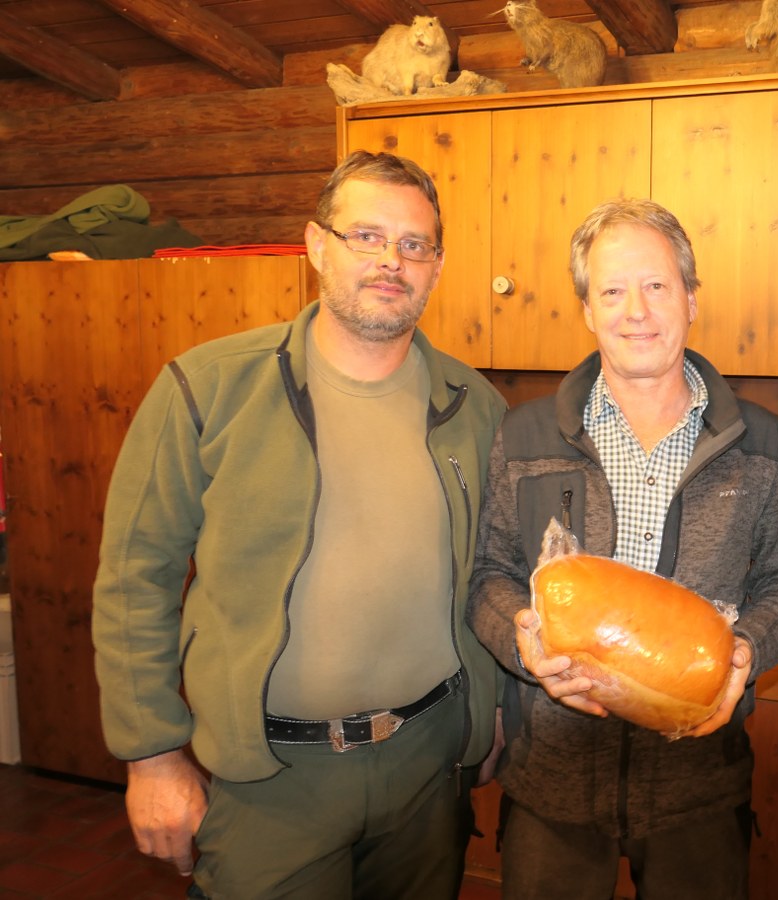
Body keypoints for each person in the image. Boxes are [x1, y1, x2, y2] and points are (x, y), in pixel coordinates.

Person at [91, 150, 507, 898]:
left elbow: (495, 574)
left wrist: (494, 709)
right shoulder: (209, 388)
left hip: (430, 765)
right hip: (269, 778)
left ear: (437, 268)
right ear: (317, 245)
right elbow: (134, 579)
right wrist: (151, 756)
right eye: (367, 236)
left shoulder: (476, 407)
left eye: (414, 244)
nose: (391, 260)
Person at [468, 198, 778, 899]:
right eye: (612, 291)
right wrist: (522, 641)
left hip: (699, 787)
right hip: (553, 783)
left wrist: (745, 651)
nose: (636, 311)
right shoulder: (524, 435)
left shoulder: (759, 440)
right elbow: (490, 574)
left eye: (657, 285)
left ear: (691, 298)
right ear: (587, 310)